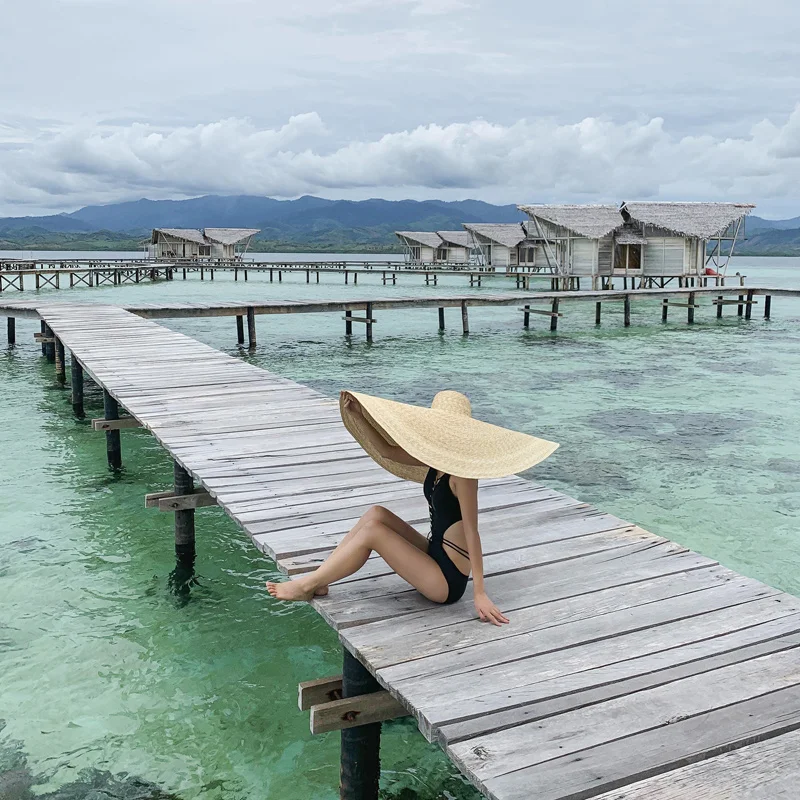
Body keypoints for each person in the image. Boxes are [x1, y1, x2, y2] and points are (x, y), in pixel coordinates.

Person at [266, 389, 557, 625]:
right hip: (435, 552)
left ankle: (308, 585)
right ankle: (321, 579)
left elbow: (473, 532)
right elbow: (387, 452)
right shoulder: (437, 459)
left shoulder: (464, 475)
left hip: (447, 581)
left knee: (373, 533)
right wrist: (359, 416)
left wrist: (479, 592)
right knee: (376, 513)